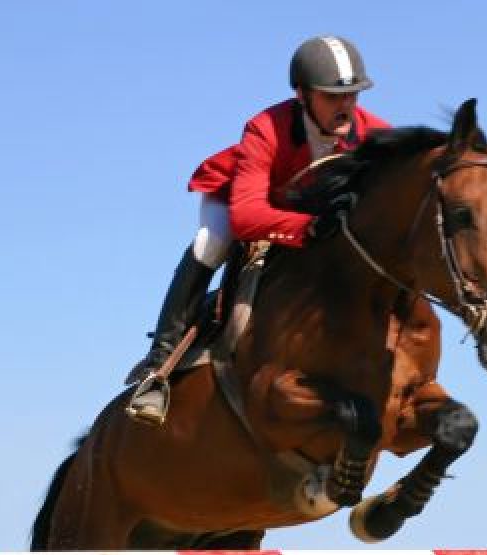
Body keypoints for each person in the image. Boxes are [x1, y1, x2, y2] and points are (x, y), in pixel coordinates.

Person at [126, 35, 390, 426]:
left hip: (304, 215)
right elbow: (247, 217)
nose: (346, 105)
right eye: (332, 96)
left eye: (352, 95)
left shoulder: (375, 135)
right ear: (302, 94)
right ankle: (159, 365)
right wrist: (308, 226)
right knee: (212, 242)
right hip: (241, 200)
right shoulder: (265, 128)